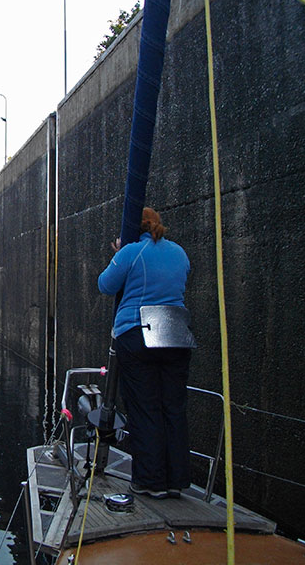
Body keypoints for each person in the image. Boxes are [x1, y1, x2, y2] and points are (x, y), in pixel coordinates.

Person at [97, 207, 192, 499]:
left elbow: (105, 285)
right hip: (176, 334)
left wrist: (118, 254)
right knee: (173, 408)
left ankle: (150, 481)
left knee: (145, 407)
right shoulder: (179, 252)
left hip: (137, 333)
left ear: (132, 228)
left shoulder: (131, 251)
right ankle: (176, 481)